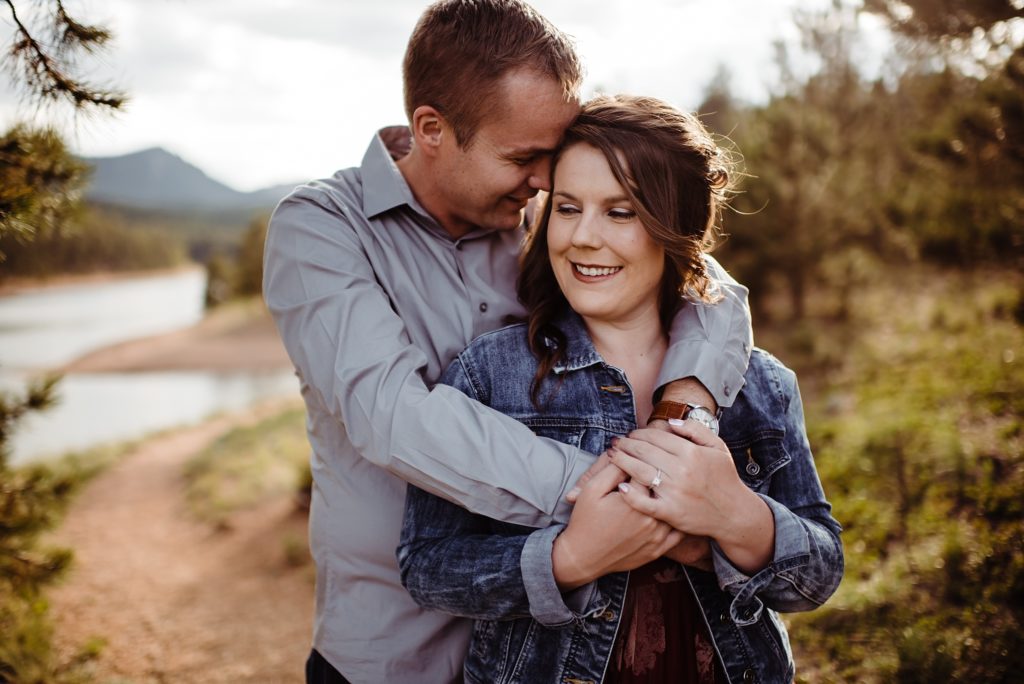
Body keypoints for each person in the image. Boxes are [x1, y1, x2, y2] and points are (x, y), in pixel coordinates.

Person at [263, 2, 753, 682]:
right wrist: (621, 495)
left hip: (545, 652)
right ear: (431, 129)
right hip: (397, 651)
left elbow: (703, 280)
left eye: (552, 157)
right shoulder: (321, 228)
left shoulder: (544, 218)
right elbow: (390, 416)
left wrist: (685, 398)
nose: (547, 182)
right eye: (524, 157)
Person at [398, 94, 844, 684]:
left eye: (620, 212)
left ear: (674, 225)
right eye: (567, 207)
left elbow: (818, 575)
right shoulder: (490, 374)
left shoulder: (761, 385)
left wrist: (737, 517)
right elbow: (427, 566)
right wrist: (568, 559)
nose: (583, 237)